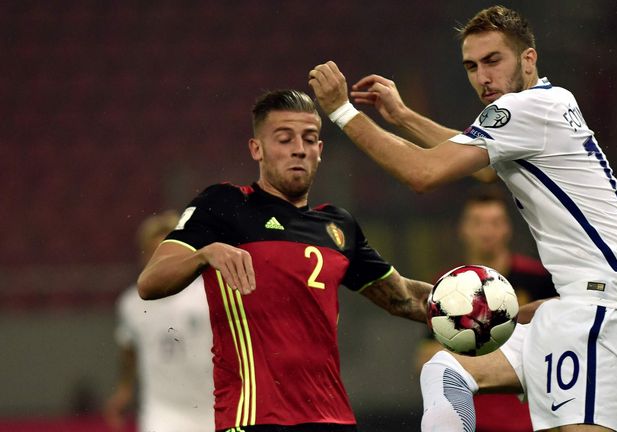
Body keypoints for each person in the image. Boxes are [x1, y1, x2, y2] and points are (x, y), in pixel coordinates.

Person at [308, 5, 617, 432]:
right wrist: (403, 117)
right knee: (446, 371)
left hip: (606, 308)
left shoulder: (526, 109)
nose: (483, 76)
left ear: (529, 59)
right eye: (471, 66)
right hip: (579, 303)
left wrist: (341, 112)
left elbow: (423, 173)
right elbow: (482, 165)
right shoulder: (548, 105)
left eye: (493, 61)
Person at [136, 89, 434, 432]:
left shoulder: (339, 227)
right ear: (256, 149)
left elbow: (406, 299)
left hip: (334, 420)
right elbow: (150, 282)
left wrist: (472, 304)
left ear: (319, 151)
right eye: (284, 138)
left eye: (309, 139)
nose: (299, 149)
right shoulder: (224, 205)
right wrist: (206, 254)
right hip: (253, 419)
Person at [415, 189, 557, 432]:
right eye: (478, 223)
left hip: (531, 423)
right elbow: (425, 357)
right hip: (474, 421)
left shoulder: (539, 279)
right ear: (463, 229)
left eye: (495, 223)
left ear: (508, 228)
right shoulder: (447, 287)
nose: (487, 231)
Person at [103, 211, 214, 432]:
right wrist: (124, 389)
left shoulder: (207, 295)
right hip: (163, 411)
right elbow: (129, 349)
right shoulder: (131, 303)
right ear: (144, 255)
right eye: (154, 253)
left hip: (211, 408)